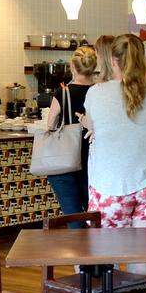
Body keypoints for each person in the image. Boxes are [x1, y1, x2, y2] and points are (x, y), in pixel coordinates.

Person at [81, 34, 146, 293]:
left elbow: (98, 128)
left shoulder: (95, 93)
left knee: (105, 262)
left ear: (112, 60)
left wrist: (92, 129)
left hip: (109, 185)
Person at [46, 45, 97, 220]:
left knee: (74, 216)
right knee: (93, 213)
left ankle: (79, 244)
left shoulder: (63, 92)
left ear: (73, 67)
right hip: (94, 160)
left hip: (66, 160)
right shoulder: (99, 92)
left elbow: (51, 124)